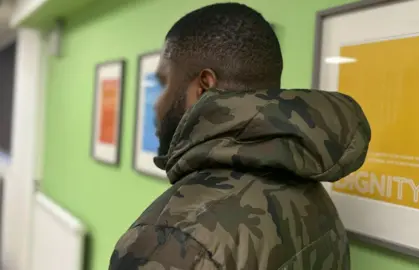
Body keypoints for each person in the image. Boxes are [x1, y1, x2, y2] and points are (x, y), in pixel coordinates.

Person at [109, 2, 370, 270]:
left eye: (164, 83)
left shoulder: (169, 242)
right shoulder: (315, 199)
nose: (157, 103)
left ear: (203, 86)